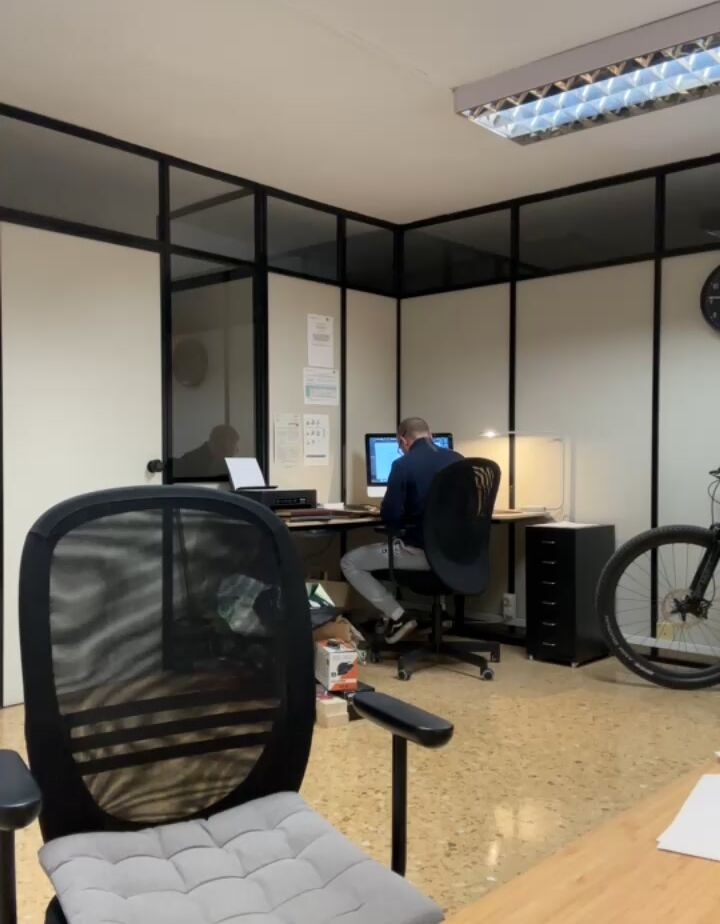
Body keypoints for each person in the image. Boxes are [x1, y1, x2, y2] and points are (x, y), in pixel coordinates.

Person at [341, 417, 462, 643]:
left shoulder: (403, 465)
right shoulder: (458, 460)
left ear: (403, 441)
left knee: (350, 562)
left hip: (421, 554)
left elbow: (391, 517)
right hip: (457, 555)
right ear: (430, 435)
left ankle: (398, 616)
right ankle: (442, 615)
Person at [173, 424, 240, 478]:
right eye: (235, 444)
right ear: (225, 443)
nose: (237, 450)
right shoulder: (198, 465)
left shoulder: (192, 458)